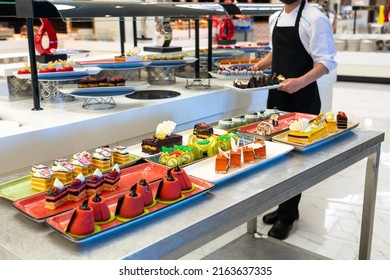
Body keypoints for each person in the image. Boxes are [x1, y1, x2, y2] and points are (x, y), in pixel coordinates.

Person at [254, 0, 337, 240]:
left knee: (296, 158)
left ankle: (287, 216)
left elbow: (326, 61)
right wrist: (263, 62)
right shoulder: (275, 17)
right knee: (278, 155)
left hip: (303, 97)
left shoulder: (315, 18)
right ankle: (285, 206)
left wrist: (299, 81)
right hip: (277, 93)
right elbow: (277, 51)